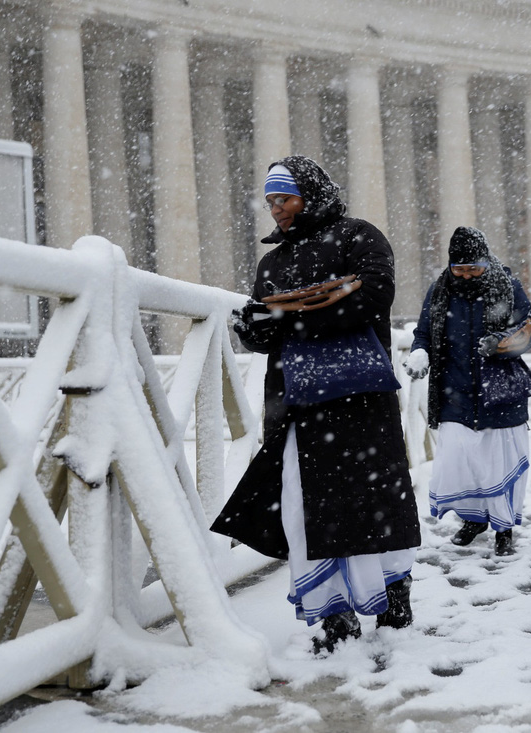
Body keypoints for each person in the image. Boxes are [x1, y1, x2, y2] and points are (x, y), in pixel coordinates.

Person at [211, 156, 420, 652]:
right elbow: (269, 333)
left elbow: (374, 296)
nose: (276, 209)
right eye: (270, 202)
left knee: (373, 501)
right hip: (296, 403)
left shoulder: (359, 236)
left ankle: (394, 590)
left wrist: (292, 318)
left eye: (284, 198)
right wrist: (253, 328)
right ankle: (334, 613)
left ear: (311, 195)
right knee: (307, 506)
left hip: (360, 397)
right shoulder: (272, 262)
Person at [404, 226, 531, 557]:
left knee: (499, 460)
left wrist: (502, 342)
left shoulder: (508, 286)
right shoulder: (440, 292)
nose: (466, 276)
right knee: (463, 460)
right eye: (459, 269)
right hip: (455, 391)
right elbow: (423, 332)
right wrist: (419, 351)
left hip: (500, 392)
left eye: (474, 268)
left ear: (487, 263)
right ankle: (474, 519)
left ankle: (504, 528)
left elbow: (530, 328)